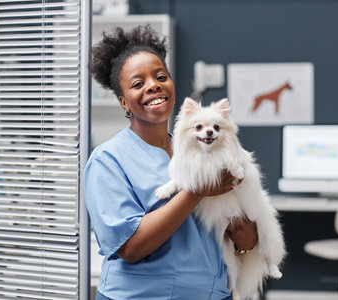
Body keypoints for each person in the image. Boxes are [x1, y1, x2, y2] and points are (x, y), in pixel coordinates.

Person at [84, 25, 258, 300]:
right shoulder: (107, 161)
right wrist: (197, 190)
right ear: (124, 102)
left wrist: (238, 213)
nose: (153, 85)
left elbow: (247, 242)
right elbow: (130, 248)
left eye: (160, 76)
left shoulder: (208, 149)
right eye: (138, 83)